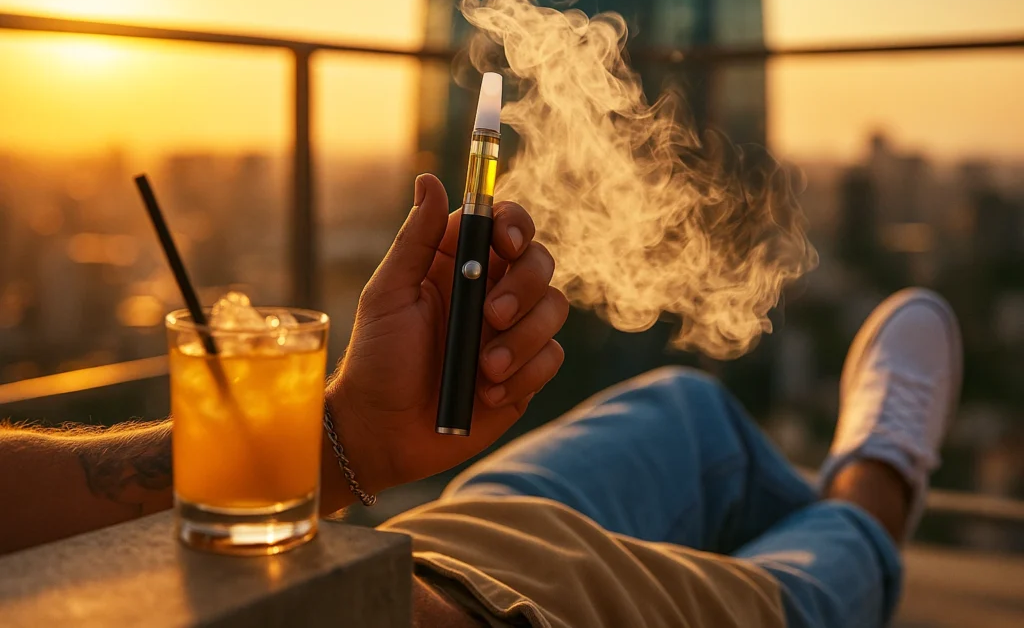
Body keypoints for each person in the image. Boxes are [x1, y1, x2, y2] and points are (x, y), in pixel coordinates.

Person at [0, 174, 962, 628]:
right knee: (798, 590)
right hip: (506, 620)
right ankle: (876, 482)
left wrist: (348, 431)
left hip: (416, 558)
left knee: (688, 413)